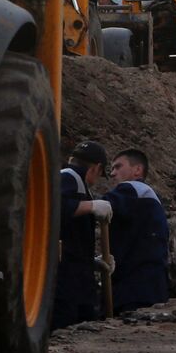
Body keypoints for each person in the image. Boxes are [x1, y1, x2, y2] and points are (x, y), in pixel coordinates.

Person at [104, 149, 171, 313]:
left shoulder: (133, 189)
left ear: (137, 170)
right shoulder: (149, 196)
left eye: (118, 167)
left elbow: (103, 205)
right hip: (152, 284)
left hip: (134, 285)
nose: (112, 173)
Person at [55, 141, 112, 329]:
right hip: (66, 281)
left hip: (76, 277)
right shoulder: (68, 177)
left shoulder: (74, 182)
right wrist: (92, 205)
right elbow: (56, 208)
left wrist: (92, 261)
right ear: (97, 168)